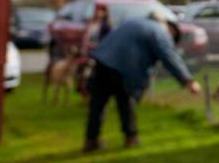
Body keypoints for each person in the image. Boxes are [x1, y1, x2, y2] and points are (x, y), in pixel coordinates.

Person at [83, 10, 202, 152]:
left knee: (97, 104)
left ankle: (91, 141)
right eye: (172, 36)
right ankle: (131, 138)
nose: (171, 39)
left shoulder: (133, 22)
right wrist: (188, 80)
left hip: (102, 63)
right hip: (124, 69)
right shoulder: (159, 31)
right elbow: (169, 57)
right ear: (169, 27)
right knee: (126, 102)